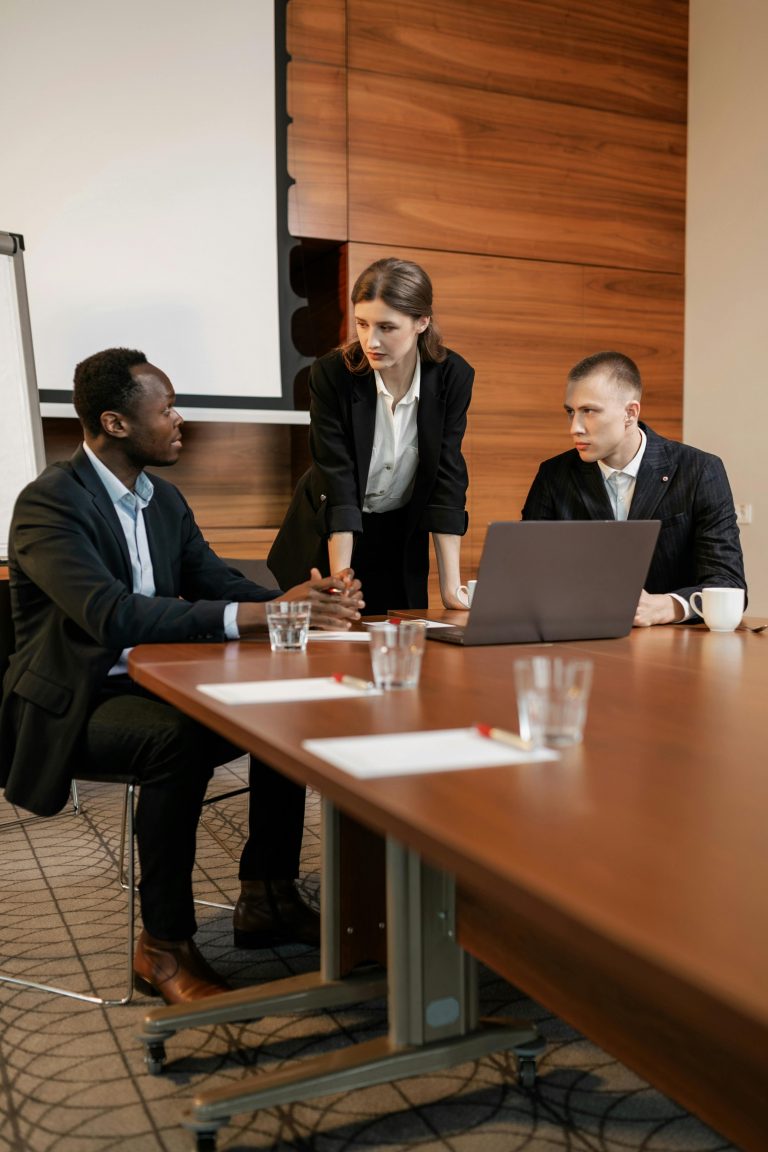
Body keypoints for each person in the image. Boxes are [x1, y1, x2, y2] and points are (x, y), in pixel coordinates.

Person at [0, 348, 364, 1004]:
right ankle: (162, 946)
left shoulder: (163, 501)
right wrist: (258, 616)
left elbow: (218, 580)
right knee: (180, 739)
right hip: (78, 702)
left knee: (279, 708)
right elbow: (111, 615)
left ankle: (267, 896)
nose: (179, 419)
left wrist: (304, 603)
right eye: (165, 408)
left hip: (155, 684)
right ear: (114, 423)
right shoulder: (48, 505)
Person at [267, 257, 474, 613]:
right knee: (327, 643)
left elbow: (447, 479)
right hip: (328, 536)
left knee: (400, 642)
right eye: (362, 324)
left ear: (422, 322)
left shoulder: (452, 376)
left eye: (386, 327)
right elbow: (338, 480)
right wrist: (340, 583)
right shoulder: (332, 375)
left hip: (399, 535)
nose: (370, 340)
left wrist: (451, 589)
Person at [521, 350, 746, 626]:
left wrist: (670, 606)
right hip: (580, 642)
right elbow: (528, 573)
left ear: (630, 413)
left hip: (675, 651)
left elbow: (729, 582)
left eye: (588, 411)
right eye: (571, 412)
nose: (574, 428)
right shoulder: (553, 475)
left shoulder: (699, 470)